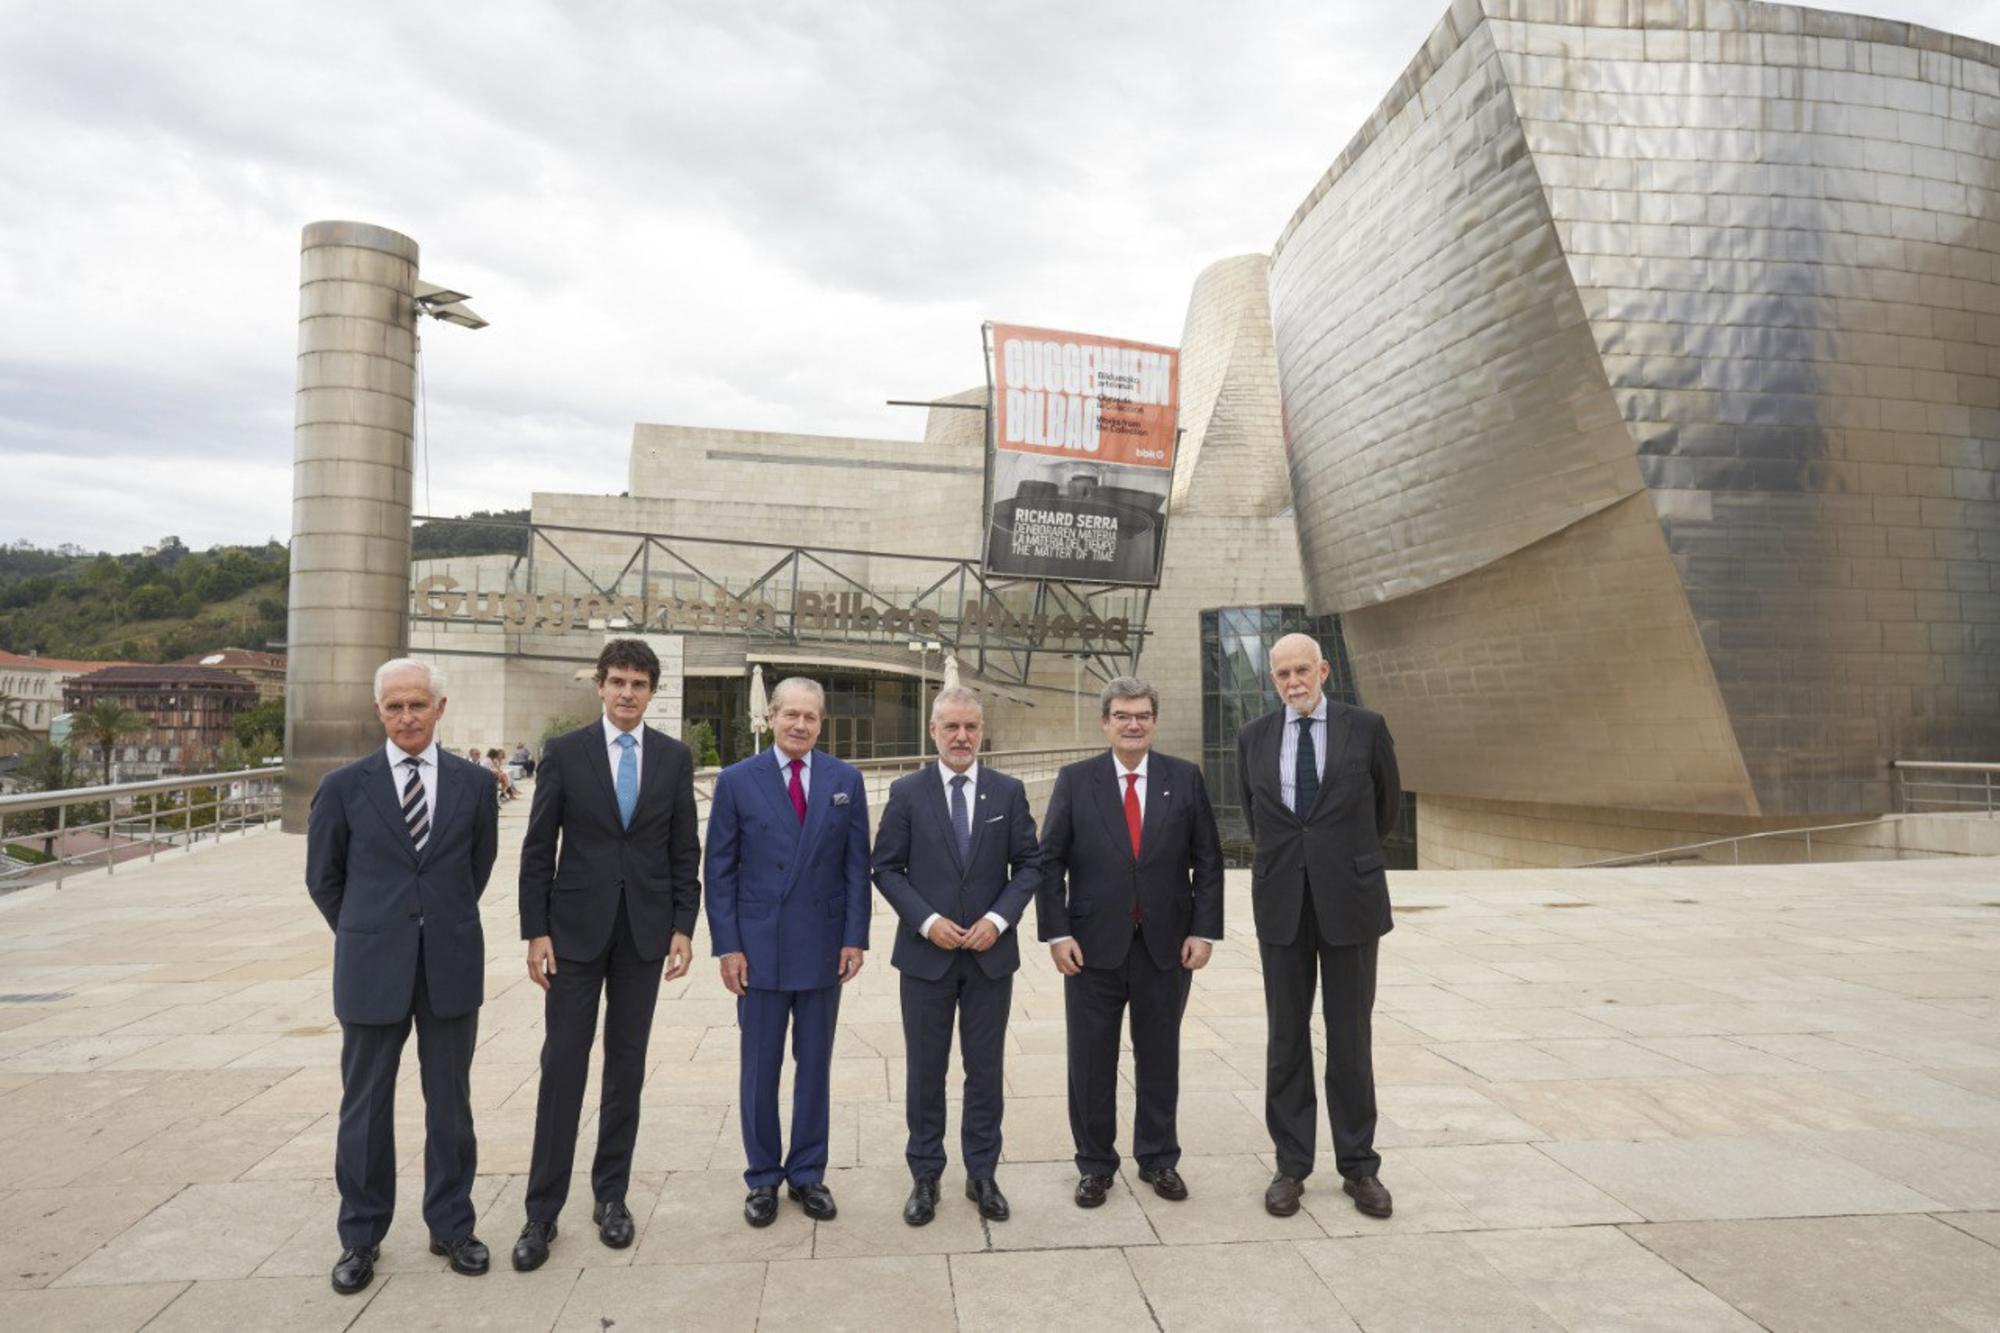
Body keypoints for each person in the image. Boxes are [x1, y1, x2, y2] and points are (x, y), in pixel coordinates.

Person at [306, 658, 498, 1295]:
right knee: (363, 1109)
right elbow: (324, 879)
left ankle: (451, 1225)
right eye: (395, 707)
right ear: (379, 711)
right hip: (371, 969)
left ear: (440, 708)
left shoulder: (474, 784)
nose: (407, 717)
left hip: (449, 964)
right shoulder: (343, 786)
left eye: (418, 705)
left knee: (451, 1106)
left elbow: (478, 867)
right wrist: (371, 931)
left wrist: (431, 923)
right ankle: (360, 1237)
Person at [511, 639, 701, 1270]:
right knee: (563, 1065)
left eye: (638, 684)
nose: (627, 693)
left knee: (626, 1067)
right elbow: (538, 847)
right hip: (573, 934)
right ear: (599, 686)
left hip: (644, 936)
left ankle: (611, 1197)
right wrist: (534, 930)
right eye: (617, 681)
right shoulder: (565, 753)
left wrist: (683, 924)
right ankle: (542, 1212)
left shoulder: (675, 759)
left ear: (652, 693)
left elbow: (683, 851)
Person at [1037, 676, 1222, 1208]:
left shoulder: (1184, 779)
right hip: (1091, 948)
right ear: (1106, 723)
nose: (1133, 724)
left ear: (1154, 721)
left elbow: (1208, 862)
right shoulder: (1076, 780)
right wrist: (1058, 933)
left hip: (1167, 946)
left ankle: (1159, 1159)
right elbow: (1050, 861)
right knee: (1091, 1061)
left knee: (1159, 1057)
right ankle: (1095, 1165)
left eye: (1142, 715)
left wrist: (1203, 930)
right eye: (1122, 715)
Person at [1235, 632, 1401, 1220]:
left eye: (1302, 670)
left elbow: (1385, 809)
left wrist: (1337, 860)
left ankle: (1359, 1168)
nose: (1293, 682)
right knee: (1286, 1038)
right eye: (1282, 674)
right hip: (1282, 903)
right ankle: (1290, 1165)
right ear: (1273, 679)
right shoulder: (1253, 737)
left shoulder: (1366, 727)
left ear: (1324, 670)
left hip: (1349, 902)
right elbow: (1260, 818)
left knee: (1351, 1036)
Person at [870, 686, 1040, 1226]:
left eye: (970, 727)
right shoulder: (907, 792)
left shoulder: (1007, 793)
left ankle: (982, 1173)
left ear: (981, 730)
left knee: (984, 1071)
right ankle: (925, 1175)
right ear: (933, 731)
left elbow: (1030, 865)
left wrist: (996, 920)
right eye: (951, 728)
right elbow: (886, 868)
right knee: (926, 1070)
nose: (962, 736)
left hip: (990, 958)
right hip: (926, 959)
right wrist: (926, 921)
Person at [706, 676, 870, 1227]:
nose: (800, 725)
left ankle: (807, 1173)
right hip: (759, 949)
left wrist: (855, 937)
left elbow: (856, 868)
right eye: (790, 714)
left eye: (811, 717)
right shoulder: (736, 781)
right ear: (771, 717)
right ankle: (762, 1179)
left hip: (823, 949)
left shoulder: (845, 779)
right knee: (759, 1069)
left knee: (815, 1066)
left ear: (821, 723)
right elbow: (719, 871)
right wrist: (727, 946)